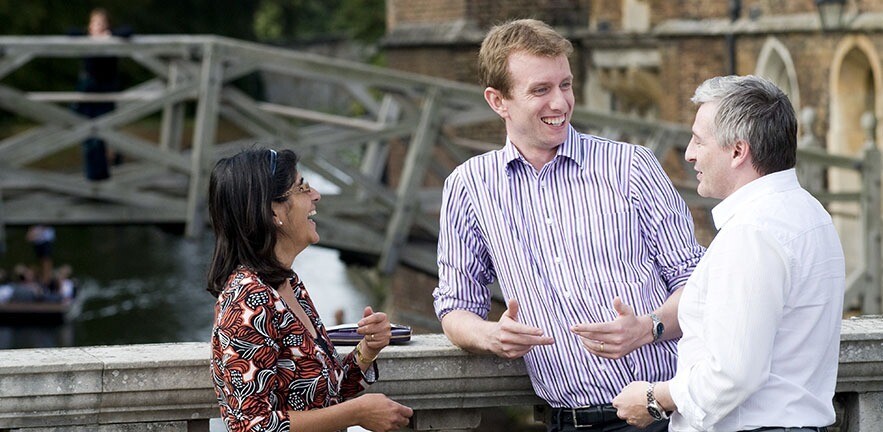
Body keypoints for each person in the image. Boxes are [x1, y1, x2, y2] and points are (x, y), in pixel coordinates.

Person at [432, 19, 704, 432]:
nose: (560, 102)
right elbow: (454, 307)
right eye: (540, 90)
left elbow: (697, 285)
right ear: (497, 100)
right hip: (566, 422)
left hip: (664, 414)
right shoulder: (468, 187)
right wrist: (491, 335)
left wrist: (647, 329)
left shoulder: (631, 166)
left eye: (566, 85)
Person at [612, 75, 845, 432]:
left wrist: (654, 398)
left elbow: (733, 373)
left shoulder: (751, 232)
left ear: (738, 151)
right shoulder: (811, 213)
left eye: (698, 140)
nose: (689, 153)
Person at [207, 147, 413, 432]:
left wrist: (368, 349)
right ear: (273, 211)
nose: (315, 194)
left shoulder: (288, 285)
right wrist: (356, 413)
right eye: (302, 187)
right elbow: (252, 426)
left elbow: (324, 394)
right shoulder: (247, 301)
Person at [72, 8, 131, 180]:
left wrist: (109, 36)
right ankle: (96, 177)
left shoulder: (113, 38)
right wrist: (90, 37)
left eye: (102, 24)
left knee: (105, 131)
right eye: (95, 23)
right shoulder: (86, 38)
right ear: (90, 26)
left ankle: (105, 173)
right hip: (88, 92)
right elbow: (70, 32)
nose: (99, 26)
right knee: (89, 134)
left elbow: (128, 31)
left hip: (106, 92)